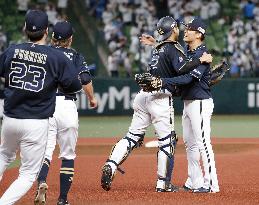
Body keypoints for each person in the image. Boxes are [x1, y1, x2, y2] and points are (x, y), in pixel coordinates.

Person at [100, 16, 212, 192]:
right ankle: (163, 183)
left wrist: (154, 44)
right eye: (177, 28)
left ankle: (111, 164)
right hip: (159, 97)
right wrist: (200, 61)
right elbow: (182, 69)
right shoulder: (173, 48)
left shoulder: (158, 48)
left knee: (132, 136)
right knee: (167, 141)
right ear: (174, 30)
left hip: (142, 96)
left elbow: (167, 57)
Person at [0, 10, 82, 205]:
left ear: (24, 28)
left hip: (10, 118)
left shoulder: (12, 50)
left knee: (4, 155)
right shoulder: (55, 57)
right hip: (36, 122)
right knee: (28, 174)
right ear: (47, 31)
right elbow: (75, 86)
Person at [33, 21, 97, 205]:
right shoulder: (75, 56)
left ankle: (42, 181)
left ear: (52, 37)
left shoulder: (43, 53)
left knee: (45, 152)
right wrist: (92, 99)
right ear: (70, 39)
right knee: (68, 155)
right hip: (67, 106)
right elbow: (85, 79)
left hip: (46, 106)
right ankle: (62, 199)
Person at [160, 18, 220, 193]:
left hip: (200, 102)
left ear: (199, 34)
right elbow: (174, 60)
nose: (185, 31)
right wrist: (155, 43)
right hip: (188, 103)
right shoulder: (188, 52)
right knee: (190, 145)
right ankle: (195, 181)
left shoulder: (203, 55)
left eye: (190, 29)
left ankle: (211, 184)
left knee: (203, 144)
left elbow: (187, 78)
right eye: (185, 28)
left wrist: (162, 81)